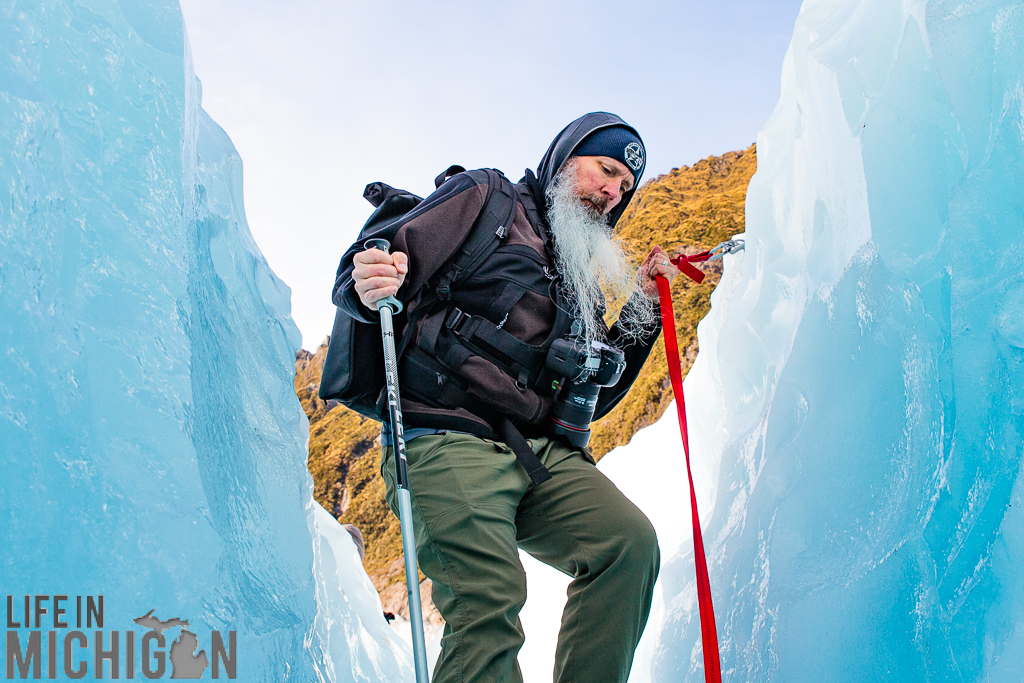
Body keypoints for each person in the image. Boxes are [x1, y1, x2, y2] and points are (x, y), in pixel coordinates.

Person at [333, 112, 681, 683]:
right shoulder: (485, 197)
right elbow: (373, 265)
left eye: (624, 188)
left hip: (537, 453)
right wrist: (368, 277)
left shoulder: (577, 274)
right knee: (488, 605)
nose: (612, 192)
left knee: (627, 546)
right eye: (606, 169)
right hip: (446, 434)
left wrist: (643, 303)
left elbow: (598, 390)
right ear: (564, 157)